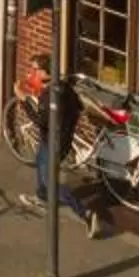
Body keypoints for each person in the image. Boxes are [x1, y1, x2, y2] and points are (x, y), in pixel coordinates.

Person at [21, 53, 107, 239]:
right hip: (61, 138)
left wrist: (23, 101)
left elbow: (40, 121)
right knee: (40, 160)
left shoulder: (49, 96)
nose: (32, 73)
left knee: (50, 181)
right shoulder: (64, 86)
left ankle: (85, 214)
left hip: (54, 142)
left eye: (35, 70)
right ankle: (42, 197)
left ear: (44, 72)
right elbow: (78, 106)